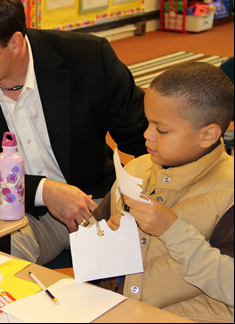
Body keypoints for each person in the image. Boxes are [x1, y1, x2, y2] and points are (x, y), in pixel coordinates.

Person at [0, 0, 148, 265]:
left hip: (99, 201)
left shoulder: (88, 58)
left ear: (15, 43)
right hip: (19, 213)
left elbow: (142, 136)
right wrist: (44, 191)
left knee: (157, 262)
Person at [93, 62, 234, 322]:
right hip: (115, 311)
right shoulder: (136, 169)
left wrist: (173, 230)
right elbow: (93, 258)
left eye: (162, 129)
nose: (147, 135)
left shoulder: (229, 193)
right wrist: (107, 240)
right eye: (148, 123)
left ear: (208, 135)